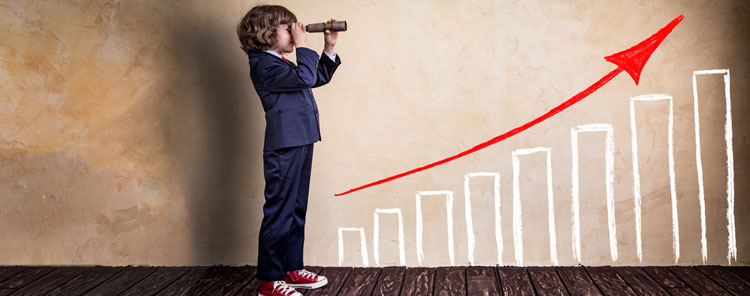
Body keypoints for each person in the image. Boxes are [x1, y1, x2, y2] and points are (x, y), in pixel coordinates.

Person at [236, 4, 341, 296]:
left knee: (296, 209)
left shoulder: (281, 63)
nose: (295, 32)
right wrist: (303, 46)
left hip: (302, 139)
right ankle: (270, 280)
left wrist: (328, 47)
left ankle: (291, 268)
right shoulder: (263, 64)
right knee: (280, 210)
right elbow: (306, 77)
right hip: (284, 146)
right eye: (288, 27)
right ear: (267, 33)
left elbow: (315, 77)